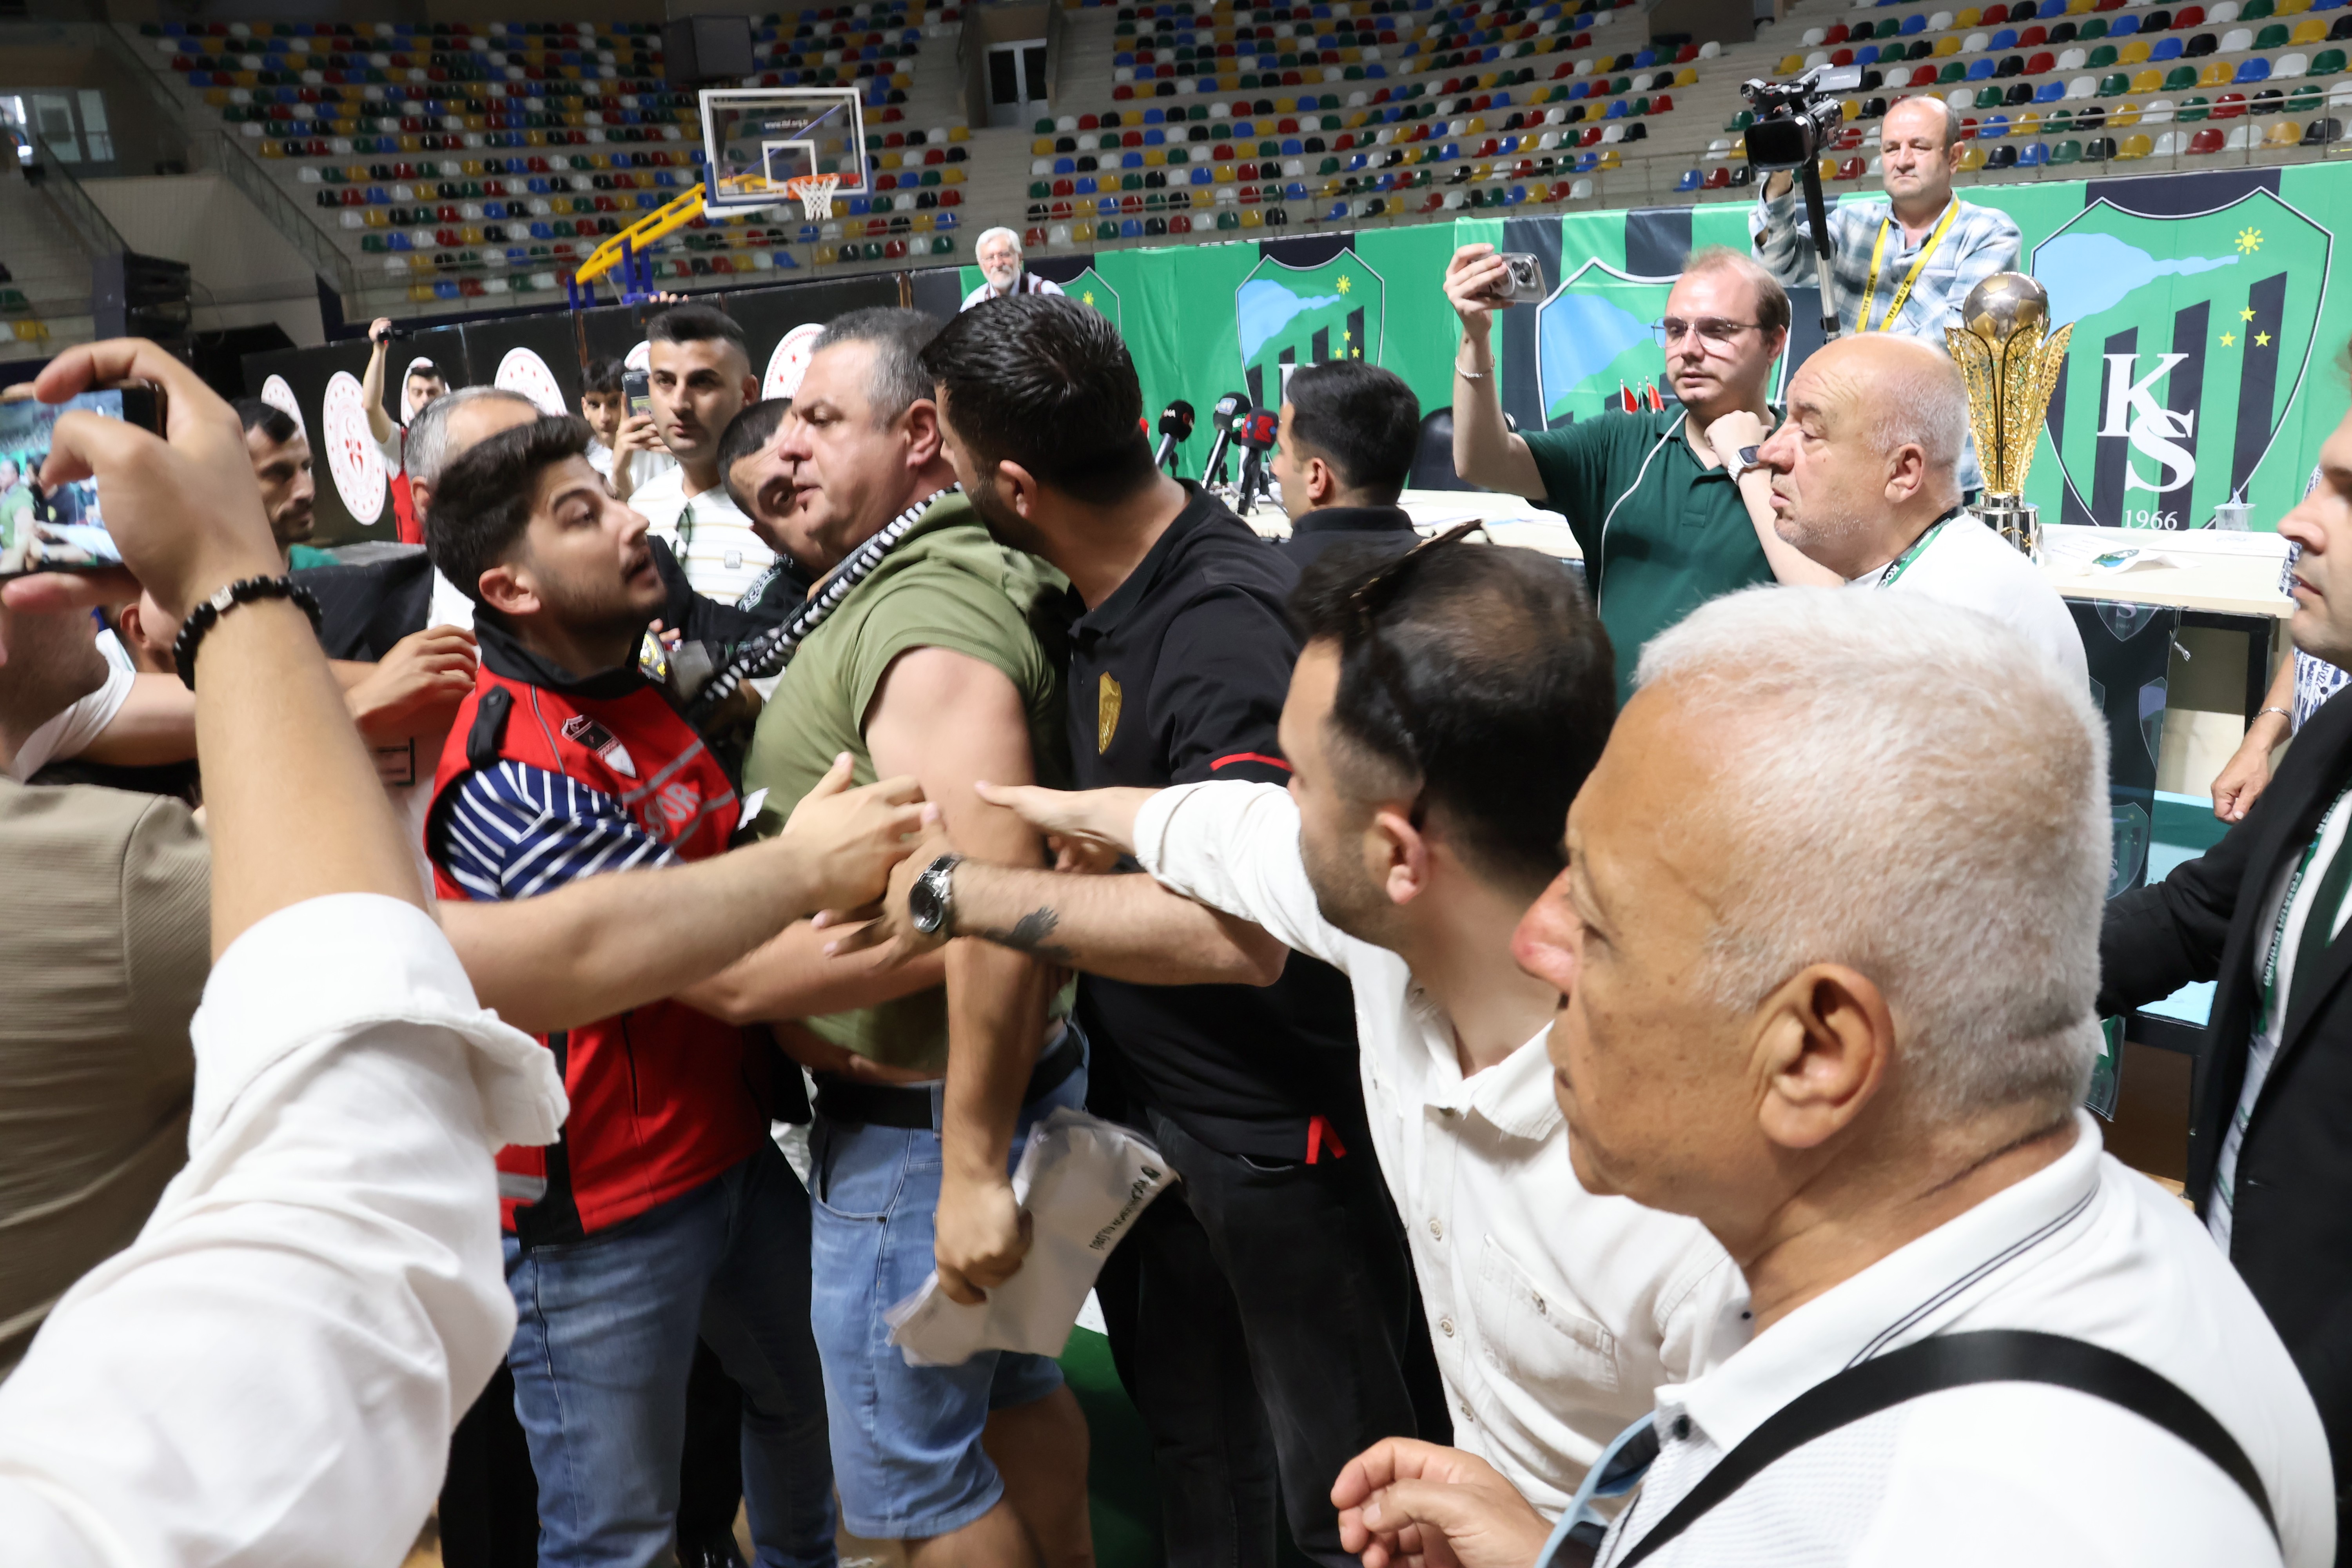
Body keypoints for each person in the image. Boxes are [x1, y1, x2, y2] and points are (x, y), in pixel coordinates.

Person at [0, 337, 936, 1565]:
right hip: (598, 1215)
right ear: (506, 582)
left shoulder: (638, 691)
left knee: (789, 1410)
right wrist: (956, 924)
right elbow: (557, 960)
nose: (631, 526)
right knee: (615, 1530)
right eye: (577, 511)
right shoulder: (490, 763)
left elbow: (168, 710)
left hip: (722, 1156)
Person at [1335, 588, 2336, 1568]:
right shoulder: (2138, 1256)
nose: (1535, 943)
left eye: (1597, 921)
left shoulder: (1895, 1519)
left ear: (1816, 1052)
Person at [829, 537, 1747, 1526]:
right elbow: (1217, 827)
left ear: (1399, 853)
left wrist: (1534, 1551)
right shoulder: (1409, 920)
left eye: (1301, 778)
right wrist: (1034, 837)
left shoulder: (1700, 1213)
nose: (1284, 804)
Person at [917, 296, 1430, 1568]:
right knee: (1204, 1449)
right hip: (1167, 1120)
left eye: (954, 461)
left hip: (1278, 1146)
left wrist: (962, 895)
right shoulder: (1118, 591)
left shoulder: (1218, 623)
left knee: (1350, 1505)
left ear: (1016, 487)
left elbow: (1239, 937)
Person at [735, 307, 1094, 1568]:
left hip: (923, 1139)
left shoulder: (928, 620)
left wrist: (969, 1172)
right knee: (1011, 1398)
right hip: (978, 1109)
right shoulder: (937, 573)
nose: (784, 448)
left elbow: (991, 903)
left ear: (922, 436)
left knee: (910, 1494)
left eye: (818, 420)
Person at [2098, 377, 2352, 1551]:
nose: (2297, 520)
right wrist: (1955, 975)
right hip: (2236, 1329)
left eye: (2344, 493)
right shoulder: (2334, 732)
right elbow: (2198, 915)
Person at [1447, 244, 1833, 702]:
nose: (1689, 350)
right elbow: (1483, 462)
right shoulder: (1620, 443)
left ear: (1774, 343)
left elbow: (1835, 610)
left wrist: (1746, 462)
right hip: (1618, 739)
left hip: (1749, 742)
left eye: (1717, 331)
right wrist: (1475, 337)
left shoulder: (1809, 459)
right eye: (1675, 330)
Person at [1751, 332, 2087, 689]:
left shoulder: (1947, 631)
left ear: (1902, 472)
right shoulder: (1937, 576)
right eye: (1786, 422)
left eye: (1809, 432)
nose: (1768, 452)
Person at [1752, 95, 2023, 344]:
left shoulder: (1988, 234)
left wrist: (1862, 360)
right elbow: (1780, 265)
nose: (1903, 161)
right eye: (1892, 149)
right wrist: (1781, 172)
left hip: (1920, 384)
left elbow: (1962, 335)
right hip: (1845, 379)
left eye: (1919, 147)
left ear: (1953, 157)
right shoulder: (1852, 223)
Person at [627, 305, 777, 605]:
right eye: (665, 381)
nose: (679, 403)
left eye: (702, 382)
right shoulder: (638, 512)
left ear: (748, 394)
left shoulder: (784, 515)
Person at [1269, 360, 1424, 570]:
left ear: (1316, 477)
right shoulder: (1448, 573)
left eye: (1282, 451)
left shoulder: (1266, 579)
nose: (1275, 468)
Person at [719, 397, 817, 620]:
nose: (813, 493)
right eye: (785, 498)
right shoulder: (767, 620)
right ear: (769, 539)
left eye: (812, 465)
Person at [362, 318, 450, 545]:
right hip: (416, 558)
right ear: (408, 398)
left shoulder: (460, 440)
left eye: (432, 392)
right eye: (417, 393)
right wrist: (379, 349)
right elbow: (371, 406)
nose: (425, 399)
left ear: (445, 395)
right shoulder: (397, 444)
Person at [230, 399, 337, 570]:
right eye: (278, 474)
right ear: (228, 485)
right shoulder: (197, 585)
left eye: (306, 467)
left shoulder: (327, 572)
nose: (306, 491)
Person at [962, 228, 1065, 311]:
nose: (998, 264)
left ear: (1020, 258)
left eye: (1004, 255)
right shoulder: (973, 304)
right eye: (990, 258)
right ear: (981, 265)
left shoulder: (1047, 293)